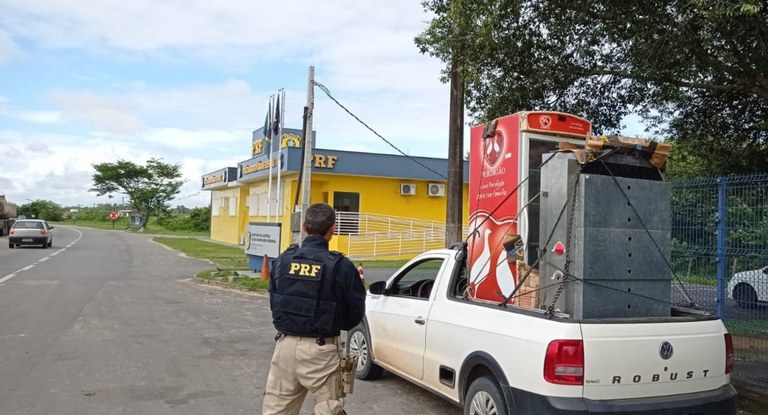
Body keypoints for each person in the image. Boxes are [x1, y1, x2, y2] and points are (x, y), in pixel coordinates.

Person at [262, 203, 366, 415]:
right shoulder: (341, 265)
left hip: (285, 347)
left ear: (303, 226)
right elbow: (355, 311)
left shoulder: (283, 260)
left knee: (276, 410)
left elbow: (275, 301)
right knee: (328, 408)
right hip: (322, 350)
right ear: (332, 230)